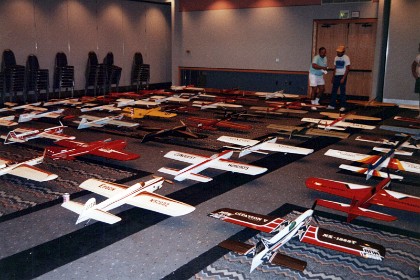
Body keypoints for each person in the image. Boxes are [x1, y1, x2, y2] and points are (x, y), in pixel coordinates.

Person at [328, 45, 350, 112]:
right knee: (334, 90)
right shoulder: (336, 58)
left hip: (342, 75)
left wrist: (343, 78)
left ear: (343, 52)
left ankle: (343, 106)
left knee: (342, 91)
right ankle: (332, 105)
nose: (338, 53)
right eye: (337, 52)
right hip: (336, 76)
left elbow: (347, 68)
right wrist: (333, 77)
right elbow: (335, 68)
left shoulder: (346, 58)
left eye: (340, 52)